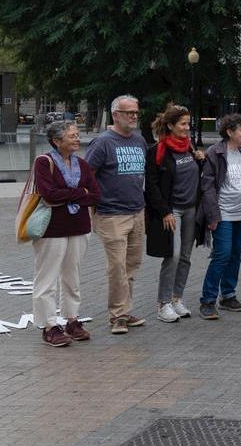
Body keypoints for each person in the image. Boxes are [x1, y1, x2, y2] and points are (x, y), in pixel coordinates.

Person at [85, 94, 150, 334]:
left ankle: (125, 310)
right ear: (115, 115)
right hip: (111, 214)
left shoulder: (138, 140)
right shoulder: (103, 142)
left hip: (136, 211)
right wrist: (92, 208)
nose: (133, 116)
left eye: (135, 112)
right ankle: (117, 316)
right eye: (128, 113)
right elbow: (87, 175)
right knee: (117, 267)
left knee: (131, 265)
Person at [32, 119, 100, 346]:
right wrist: (80, 192)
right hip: (52, 228)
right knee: (47, 279)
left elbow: (95, 195)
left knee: (72, 277)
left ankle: (72, 319)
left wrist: (68, 193)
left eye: (77, 134)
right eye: (72, 135)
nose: (77, 139)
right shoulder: (44, 162)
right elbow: (49, 194)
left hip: (79, 227)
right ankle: (49, 326)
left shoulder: (81, 164)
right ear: (56, 141)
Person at [145, 104, 205, 323]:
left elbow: (197, 176)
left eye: (188, 123)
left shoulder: (188, 147)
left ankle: (177, 298)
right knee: (173, 255)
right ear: (170, 125)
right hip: (173, 211)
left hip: (191, 209)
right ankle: (163, 304)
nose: (187, 128)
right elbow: (151, 185)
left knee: (186, 257)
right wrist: (164, 212)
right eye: (183, 124)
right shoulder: (158, 151)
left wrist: (201, 159)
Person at [197, 114, 241, 320]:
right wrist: (213, 215)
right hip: (223, 213)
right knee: (222, 254)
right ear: (229, 132)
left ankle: (228, 295)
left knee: (236, 253)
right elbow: (207, 186)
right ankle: (208, 300)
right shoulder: (216, 152)